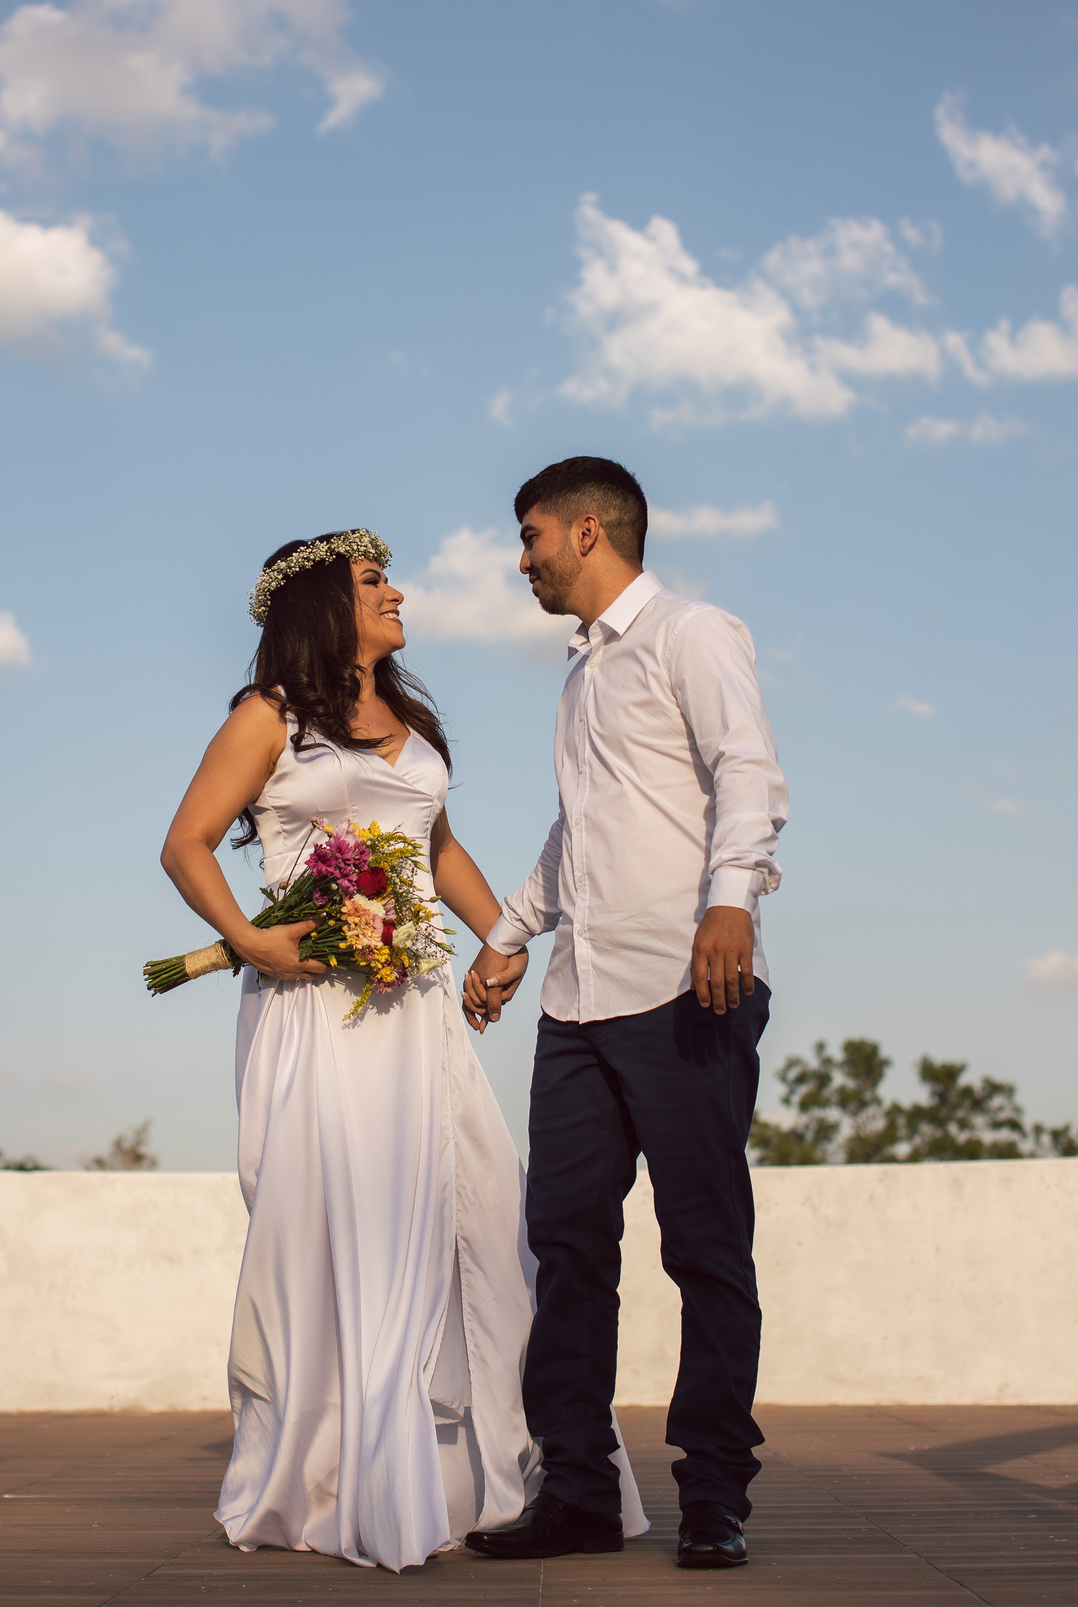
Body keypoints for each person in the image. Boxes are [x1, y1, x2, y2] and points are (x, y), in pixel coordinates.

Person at [158, 528, 647, 1572]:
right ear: (323, 607)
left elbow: (434, 844)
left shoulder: (408, 719)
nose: (397, 591)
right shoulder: (269, 719)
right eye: (375, 582)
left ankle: (481, 1474)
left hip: (413, 1005)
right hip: (316, 1009)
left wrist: (499, 934)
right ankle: (339, 1470)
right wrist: (249, 937)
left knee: (466, 1211)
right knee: (341, 1222)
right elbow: (186, 839)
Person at [461, 460, 788, 1571]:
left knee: (703, 1245)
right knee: (564, 1243)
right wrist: (510, 935)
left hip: (687, 984)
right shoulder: (580, 676)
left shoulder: (693, 633)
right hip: (577, 1001)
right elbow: (579, 831)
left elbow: (747, 768)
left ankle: (714, 1493)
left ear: (587, 531)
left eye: (531, 535)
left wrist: (731, 900)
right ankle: (581, 1489)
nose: (522, 559)